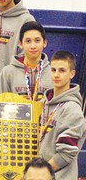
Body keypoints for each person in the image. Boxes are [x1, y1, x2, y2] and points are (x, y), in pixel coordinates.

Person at [39, 50, 86, 179]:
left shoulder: (72, 109)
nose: (56, 75)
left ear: (72, 74)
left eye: (62, 70)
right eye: (53, 70)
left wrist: (40, 173)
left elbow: (66, 154)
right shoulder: (44, 103)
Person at [0, 21, 52, 101]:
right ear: (20, 44)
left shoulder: (53, 73)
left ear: (45, 43)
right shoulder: (8, 72)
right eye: (28, 41)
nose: (33, 46)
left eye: (37, 40)